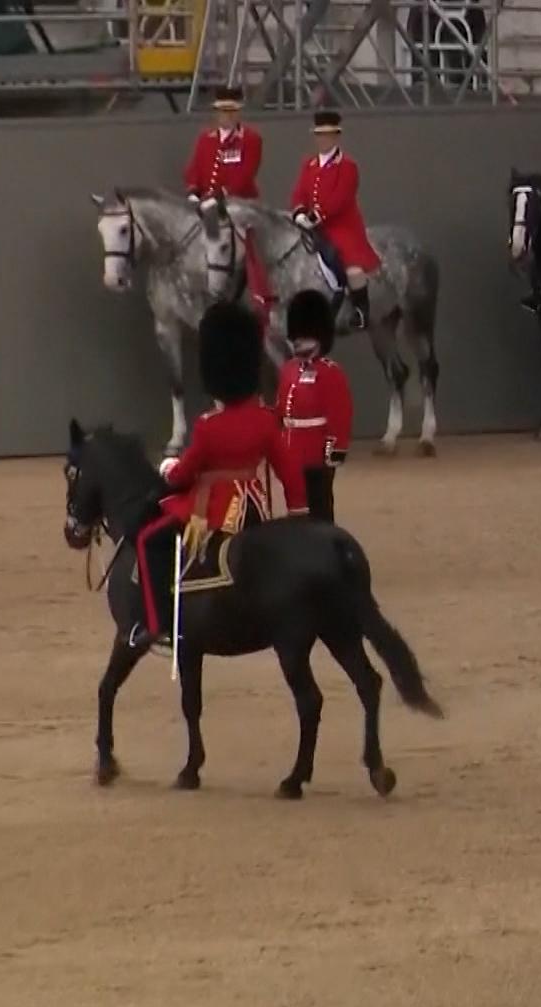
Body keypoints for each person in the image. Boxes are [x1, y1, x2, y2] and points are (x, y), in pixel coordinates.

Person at [132, 302, 309, 654]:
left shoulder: (208, 426)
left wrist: (169, 468)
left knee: (148, 540)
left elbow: (186, 473)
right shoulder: (265, 419)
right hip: (255, 507)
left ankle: (154, 625)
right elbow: (289, 471)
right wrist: (298, 515)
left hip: (214, 509)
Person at [290, 111, 380, 332]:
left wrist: (316, 215)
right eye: (319, 136)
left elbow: (341, 197)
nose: (322, 140)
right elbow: (299, 192)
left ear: (336, 137)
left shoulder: (347, 166)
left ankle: (360, 310)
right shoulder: (309, 164)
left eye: (327, 136)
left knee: (353, 269)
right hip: (314, 226)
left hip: (342, 226)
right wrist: (300, 211)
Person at [276, 290, 352, 523]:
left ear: (318, 337)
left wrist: (333, 451)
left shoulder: (329, 372)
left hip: (315, 453)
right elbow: (280, 409)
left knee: (319, 510)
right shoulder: (288, 369)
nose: (296, 340)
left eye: (303, 335)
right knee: (296, 512)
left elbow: (340, 413)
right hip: (290, 453)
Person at [184, 86, 262, 207]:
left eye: (232, 111)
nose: (228, 116)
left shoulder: (250, 139)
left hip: (239, 202)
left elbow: (245, 175)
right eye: (224, 111)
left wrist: (220, 195)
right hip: (206, 200)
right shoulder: (205, 138)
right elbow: (194, 168)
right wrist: (193, 191)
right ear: (217, 113)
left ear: (238, 112)